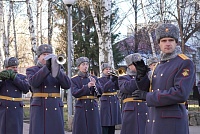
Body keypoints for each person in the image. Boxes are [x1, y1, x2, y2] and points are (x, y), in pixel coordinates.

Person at [132, 23, 195, 134]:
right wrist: (141, 76)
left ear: (176, 42)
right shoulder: (158, 65)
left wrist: (148, 96)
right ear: (159, 44)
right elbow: (150, 89)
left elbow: (180, 93)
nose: (167, 44)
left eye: (171, 40)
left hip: (172, 123)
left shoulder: (184, 62)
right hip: (154, 121)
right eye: (163, 41)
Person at [26, 44, 71, 134]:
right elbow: (33, 83)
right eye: (44, 54)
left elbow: (67, 85)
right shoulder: (32, 70)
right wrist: (47, 68)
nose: (46, 57)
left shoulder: (58, 69)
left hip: (55, 105)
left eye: (49, 54)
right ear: (39, 57)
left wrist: (57, 70)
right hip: (40, 106)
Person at [118, 53, 150, 134]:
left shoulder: (147, 76)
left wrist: (145, 75)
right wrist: (139, 77)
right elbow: (126, 88)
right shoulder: (123, 77)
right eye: (134, 64)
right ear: (129, 66)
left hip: (144, 109)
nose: (137, 66)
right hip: (130, 111)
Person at [71, 57, 102, 134]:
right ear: (78, 67)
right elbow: (75, 93)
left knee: (94, 129)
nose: (86, 66)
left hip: (92, 106)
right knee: (81, 129)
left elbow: (100, 92)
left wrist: (95, 85)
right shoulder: (74, 79)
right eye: (83, 64)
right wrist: (87, 87)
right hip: (81, 106)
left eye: (87, 64)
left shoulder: (93, 78)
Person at [0, 57, 29, 134]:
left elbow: (26, 89)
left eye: (16, 67)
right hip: (3, 109)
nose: (15, 69)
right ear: (6, 68)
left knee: (17, 130)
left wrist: (15, 78)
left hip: (17, 109)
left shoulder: (21, 77)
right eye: (13, 67)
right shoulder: (2, 77)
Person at [98, 63, 121, 134]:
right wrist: (111, 81)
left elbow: (118, 88)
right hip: (106, 101)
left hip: (114, 101)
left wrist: (116, 80)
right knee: (105, 122)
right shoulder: (100, 79)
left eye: (109, 69)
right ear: (103, 70)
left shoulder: (113, 78)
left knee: (112, 122)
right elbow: (103, 89)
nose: (108, 70)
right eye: (106, 69)